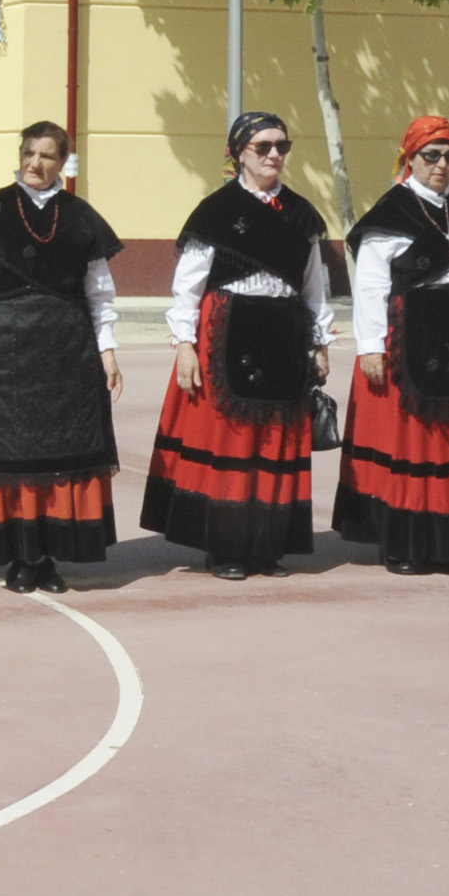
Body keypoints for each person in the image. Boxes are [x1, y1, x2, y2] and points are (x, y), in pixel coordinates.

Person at [139, 111, 333, 580]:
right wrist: (184, 344)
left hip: (284, 333)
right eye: (262, 147)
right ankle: (224, 547)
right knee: (231, 440)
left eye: (281, 147)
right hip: (226, 332)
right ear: (238, 153)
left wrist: (320, 341)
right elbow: (187, 286)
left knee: (275, 441)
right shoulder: (217, 210)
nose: (273, 156)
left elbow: (313, 286)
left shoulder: (303, 213)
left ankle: (266, 545)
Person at [332, 115, 449, 574]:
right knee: (417, 444)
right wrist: (370, 346)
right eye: (430, 156)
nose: (441, 164)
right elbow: (372, 286)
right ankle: (408, 545)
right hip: (411, 338)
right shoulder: (391, 214)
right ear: (409, 158)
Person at [0, 123, 124, 593]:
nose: (35, 163)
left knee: (60, 455)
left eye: (47, 156)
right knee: (15, 456)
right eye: (29, 153)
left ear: (63, 162)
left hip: (69, 348)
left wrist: (107, 351)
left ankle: (48, 557)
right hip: (8, 347)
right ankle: (20, 558)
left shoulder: (82, 216)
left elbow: (100, 294)